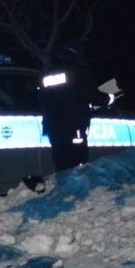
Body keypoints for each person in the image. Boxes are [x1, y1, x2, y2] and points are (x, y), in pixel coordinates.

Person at [39, 42, 110, 172]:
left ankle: (65, 189)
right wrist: (109, 98)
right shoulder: (77, 70)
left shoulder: (49, 73)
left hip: (53, 127)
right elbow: (89, 94)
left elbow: (44, 98)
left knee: (61, 163)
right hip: (73, 125)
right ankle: (77, 191)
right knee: (77, 164)